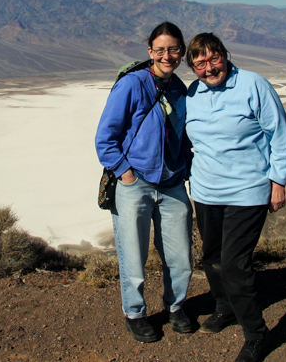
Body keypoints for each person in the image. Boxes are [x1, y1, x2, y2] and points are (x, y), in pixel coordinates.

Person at [184, 32, 286, 362]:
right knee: (211, 257)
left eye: (214, 58)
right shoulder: (193, 93)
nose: (208, 67)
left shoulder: (253, 85)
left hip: (248, 190)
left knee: (234, 265)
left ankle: (257, 334)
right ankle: (225, 307)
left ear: (225, 55)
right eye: (199, 62)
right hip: (205, 190)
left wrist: (278, 181)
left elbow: (278, 132)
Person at [94, 21, 194, 343]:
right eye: (161, 49)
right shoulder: (132, 84)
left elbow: (185, 137)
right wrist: (125, 172)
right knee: (133, 255)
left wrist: (185, 167)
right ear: (150, 52)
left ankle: (176, 307)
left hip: (172, 183)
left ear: (182, 52)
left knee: (180, 257)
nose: (168, 55)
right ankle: (135, 313)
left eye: (174, 49)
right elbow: (105, 138)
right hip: (135, 184)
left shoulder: (180, 89)